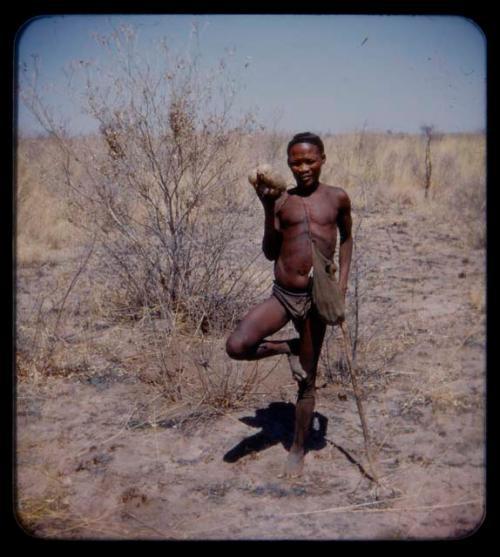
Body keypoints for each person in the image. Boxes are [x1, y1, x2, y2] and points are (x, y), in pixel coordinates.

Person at [226, 132, 353, 477]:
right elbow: (269, 251)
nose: (303, 167)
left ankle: (297, 449)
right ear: (288, 164)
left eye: (310, 160)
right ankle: (289, 347)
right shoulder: (283, 202)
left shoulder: (337, 198)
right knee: (237, 346)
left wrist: (340, 285)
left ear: (323, 159)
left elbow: (347, 238)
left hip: (317, 299)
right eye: (296, 162)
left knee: (307, 381)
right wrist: (268, 209)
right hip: (283, 295)